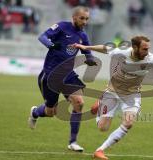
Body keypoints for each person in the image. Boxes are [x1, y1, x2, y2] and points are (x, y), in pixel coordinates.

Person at [70, 35, 153, 160]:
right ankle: (100, 104)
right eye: (144, 49)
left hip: (132, 95)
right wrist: (85, 46)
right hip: (112, 92)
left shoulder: (151, 58)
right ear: (135, 47)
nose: (147, 52)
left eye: (148, 49)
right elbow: (105, 48)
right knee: (103, 128)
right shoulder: (122, 52)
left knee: (129, 123)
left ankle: (99, 151)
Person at [28, 6, 97, 152]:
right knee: (50, 111)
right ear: (74, 18)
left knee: (79, 103)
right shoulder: (61, 26)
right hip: (50, 75)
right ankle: (35, 112)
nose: (85, 21)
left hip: (68, 75)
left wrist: (90, 60)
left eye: (87, 19)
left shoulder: (83, 36)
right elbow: (42, 37)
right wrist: (51, 45)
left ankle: (73, 142)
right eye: (82, 18)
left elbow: (88, 51)